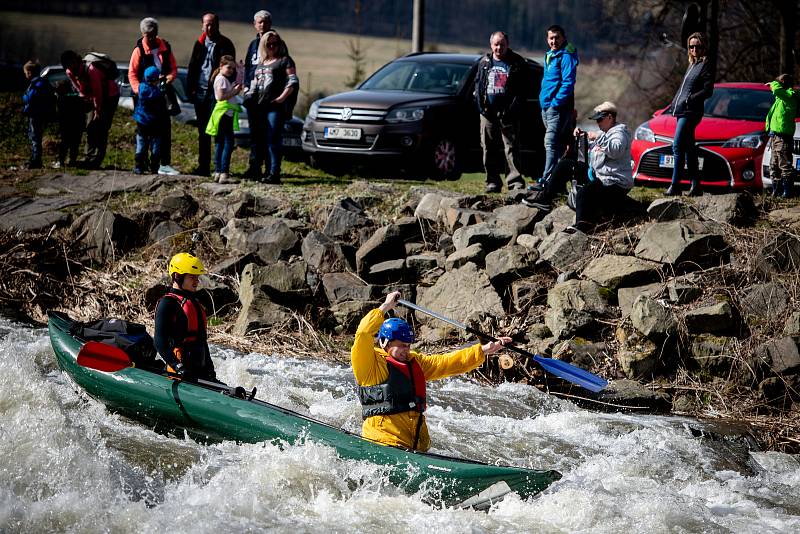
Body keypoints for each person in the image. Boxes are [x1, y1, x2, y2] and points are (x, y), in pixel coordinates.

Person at [351, 291, 511, 452]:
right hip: (382, 441)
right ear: (385, 342)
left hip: (413, 446)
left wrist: (484, 350)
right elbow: (363, 333)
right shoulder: (370, 365)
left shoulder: (414, 362)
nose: (405, 350)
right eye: (401, 345)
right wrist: (385, 306)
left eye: (408, 345)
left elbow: (446, 363)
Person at [522, 101, 633, 234]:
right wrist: (581, 137)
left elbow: (616, 150)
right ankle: (545, 199)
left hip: (615, 182)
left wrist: (597, 137)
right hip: (601, 175)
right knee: (565, 165)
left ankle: (582, 226)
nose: (598, 123)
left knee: (583, 194)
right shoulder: (605, 132)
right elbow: (591, 153)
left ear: (610, 117)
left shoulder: (620, 133)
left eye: (600, 120)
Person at [473, 31, 531, 193]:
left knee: (511, 148)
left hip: (509, 113)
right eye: (496, 44)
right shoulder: (484, 62)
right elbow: (478, 85)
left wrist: (514, 108)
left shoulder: (518, 63)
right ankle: (492, 182)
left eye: (502, 44)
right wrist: (481, 106)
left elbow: (524, 90)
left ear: (507, 44)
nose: (499, 47)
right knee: (488, 148)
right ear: (491, 45)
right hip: (487, 113)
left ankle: (515, 183)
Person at [664, 32, 715, 197]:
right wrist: (674, 103)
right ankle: (696, 186)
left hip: (691, 111)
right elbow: (684, 89)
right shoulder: (692, 64)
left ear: (703, 47)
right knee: (689, 149)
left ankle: (675, 185)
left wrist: (689, 100)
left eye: (698, 46)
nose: (694, 49)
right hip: (681, 110)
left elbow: (708, 90)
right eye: (691, 46)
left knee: (677, 145)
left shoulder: (706, 65)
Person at [154, 252, 218, 382]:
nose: (197, 281)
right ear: (177, 276)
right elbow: (160, 342)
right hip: (178, 373)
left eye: (197, 277)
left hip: (199, 371)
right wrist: (178, 367)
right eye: (192, 277)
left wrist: (210, 370)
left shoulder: (194, 302)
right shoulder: (167, 303)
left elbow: (202, 341)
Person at [245, 30, 298, 184]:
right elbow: (254, 83)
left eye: (275, 43)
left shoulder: (285, 60)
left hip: (275, 107)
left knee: (273, 139)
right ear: (264, 45)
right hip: (259, 107)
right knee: (262, 139)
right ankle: (265, 172)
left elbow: (292, 82)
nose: (272, 46)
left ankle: (274, 173)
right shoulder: (261, 62)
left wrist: (281, 98)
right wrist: (249, 97)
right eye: (269, 44)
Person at [128, 17, 180, 176]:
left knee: (164, 132)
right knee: (143, 135)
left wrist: (169, 79)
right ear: (142, 33)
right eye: (147, 35)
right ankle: (141, 164)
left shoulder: (166, 47)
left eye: (153, 34)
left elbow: (173, 68)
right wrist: (140, 91)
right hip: (144, 98)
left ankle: (163, 163)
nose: (150, 38)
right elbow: (132, 73)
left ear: (157, 33)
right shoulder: (139, 50)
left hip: (162, 96)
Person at [187, 12, 236, 177]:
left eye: (212, 24)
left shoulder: (225, 44)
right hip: (199, 92)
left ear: (217, 25)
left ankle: (218, 168)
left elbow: (231, 69)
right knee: (203, 131)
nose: (209, 27)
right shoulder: (199, 44)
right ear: (202, 25)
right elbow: (192, 66)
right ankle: (203, 167)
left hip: (216, 93)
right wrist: (191, 89)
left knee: (218, 131)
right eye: (206, 24)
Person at [61, 50, 120, 169]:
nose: (71, 68)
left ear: (77, 61)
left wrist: (97, 111)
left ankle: (97, 159)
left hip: (110, 96)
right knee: (90, 126)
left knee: (102, 127)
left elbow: (98, 93)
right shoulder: (69, 72)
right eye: (68, 66)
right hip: (93, 97)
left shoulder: (91, 70)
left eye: (72, 64)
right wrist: (87, 101)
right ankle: (89, 156)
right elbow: (79, 89)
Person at [539, 24, 579, 185]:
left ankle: (547, 180)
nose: (554, 41)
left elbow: (568, 82)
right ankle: (558, 182)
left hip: (557, 107)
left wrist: (555, 103)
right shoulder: (550, 54)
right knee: (559, 145)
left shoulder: (566, 56)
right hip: (546, 107)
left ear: (563, 38)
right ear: (547, 39)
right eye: (551, 38)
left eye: (557, 37)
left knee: (550, 143)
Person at [243, 9, 272, 179]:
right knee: (255, 133)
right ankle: (254, 167)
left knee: (267, 133)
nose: (262, 25)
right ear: (255, 25)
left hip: (268, 96)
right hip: (252, 95)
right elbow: (248, 67)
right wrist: (246, 87)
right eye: (259, 22)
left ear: (270, 23)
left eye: (265, 21)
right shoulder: (253, 45)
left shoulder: (275, 42)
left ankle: (270, 169)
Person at [205, 55, 243, 184]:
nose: (231, 70)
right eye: (229, 67)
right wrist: (234, 92)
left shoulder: (222, 78)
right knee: (228, 143)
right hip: (224, 114)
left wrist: (240, 71)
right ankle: (224, 173)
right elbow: (221, 97)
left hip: (223, 114)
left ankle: (218, 171)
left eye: (233, 68)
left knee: (220, 143)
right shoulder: (221, 79)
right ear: (221, 66)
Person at [765, 73, 797, 198]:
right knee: (774, 164)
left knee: (784, 164)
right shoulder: (780, 100)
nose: (773, 87)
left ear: (782, 82)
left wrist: (772, 84)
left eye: (776, 82)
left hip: (783, 137)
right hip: (775, 137)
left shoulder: (789, 97)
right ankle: (776, 191)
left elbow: (777, 90)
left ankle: (787, 192)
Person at [133, 66, 167, 174]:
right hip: (155, 122)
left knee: (141, 143)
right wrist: (162, 83)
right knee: (156, 144)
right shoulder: (156, 92)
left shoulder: (141, 87)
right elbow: (161, 93)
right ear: (155, 79)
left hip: (142, 121)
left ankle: (139, 166)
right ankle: (154, 167)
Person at [21, 60, 55, 169]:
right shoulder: (42, 82)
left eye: (26, 73)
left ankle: (36, 160)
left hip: (35, 114)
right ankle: (35, 158)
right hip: (40, 113)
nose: (25, 75)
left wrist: (24, 97)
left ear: (30, 73)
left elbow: (29, 98)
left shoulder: (36, 84)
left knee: (35, 137)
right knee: (36, 136)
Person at [54, 80, 85, 168]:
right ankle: (72, 161)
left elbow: (59, 114)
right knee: (74, 144)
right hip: (77, 124)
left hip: (65, 125)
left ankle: (61, 161)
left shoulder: (61, 99)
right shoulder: (77, 98)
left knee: (64, 144)